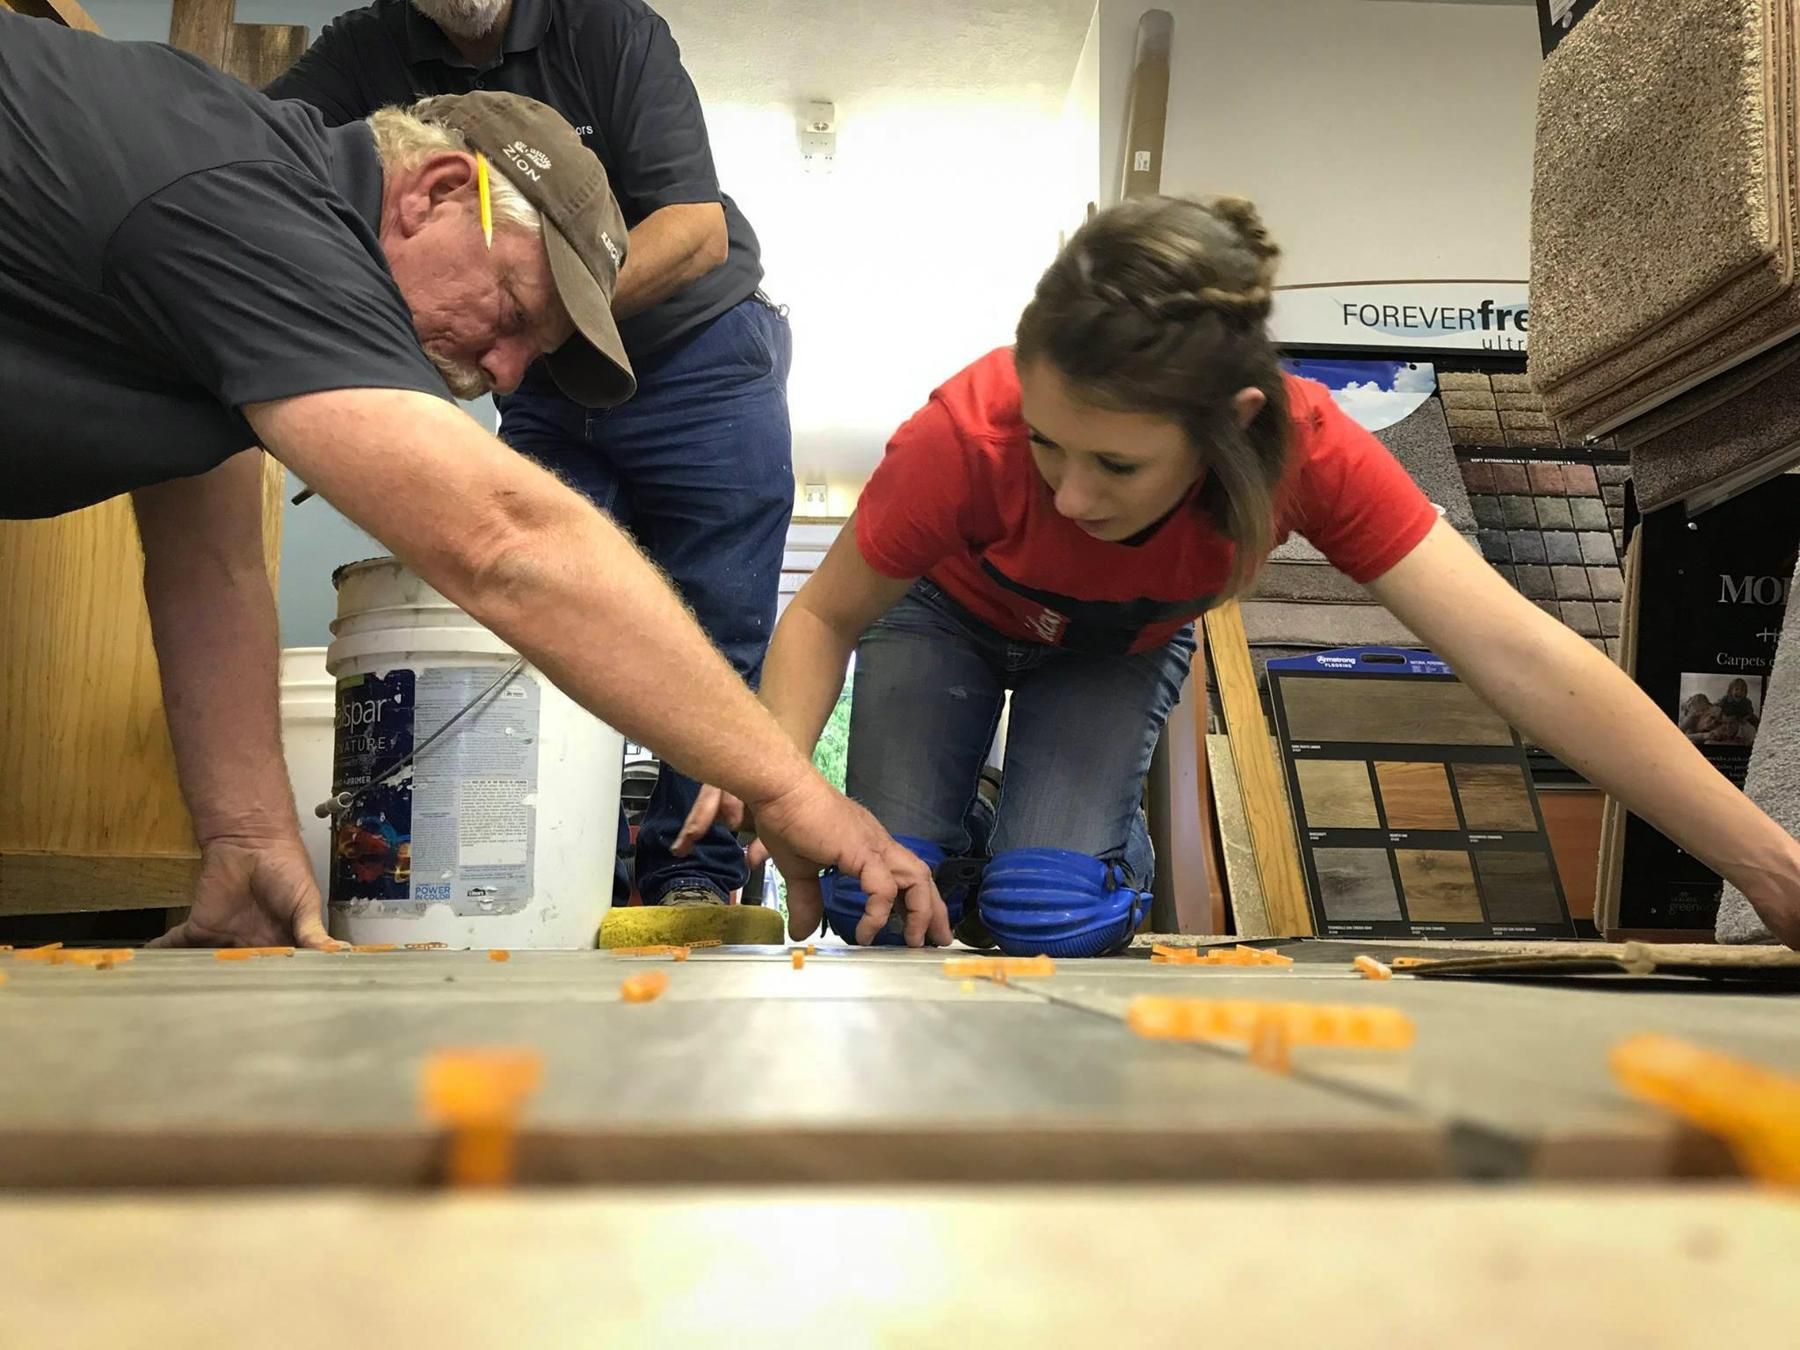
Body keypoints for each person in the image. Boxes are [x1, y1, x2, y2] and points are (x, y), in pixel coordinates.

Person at [1, 15, 942, 950]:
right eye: (516, 313)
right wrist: (788, 785)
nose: (504, 376)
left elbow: (212, 566)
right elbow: (504, 540)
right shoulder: (258, 200)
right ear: (438, 193)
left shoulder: (226, 315)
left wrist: (247, 836)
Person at [680, 195, 1800, 951]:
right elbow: (822, 618)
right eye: (1046, 445)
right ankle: (969, 829)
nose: (1070, 495)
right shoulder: (963, 436)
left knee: (1045, 912)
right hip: (946, 620)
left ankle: (1049, 848)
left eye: (1118, 463)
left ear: (1232, 428)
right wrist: (779, 775)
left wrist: (1766, 865)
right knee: (890, 905)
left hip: (1114, 647)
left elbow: (1520, 654)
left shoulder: (1310, 448)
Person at [267, 0, 791, 912]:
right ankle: (544, 866)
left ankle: (688, 873)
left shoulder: (610, 30)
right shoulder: (366, 46)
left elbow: (695, 230)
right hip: (543, 370)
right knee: (523, 594)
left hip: (697, 351)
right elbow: (268, 152)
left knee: (719, 608)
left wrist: (542, 311)